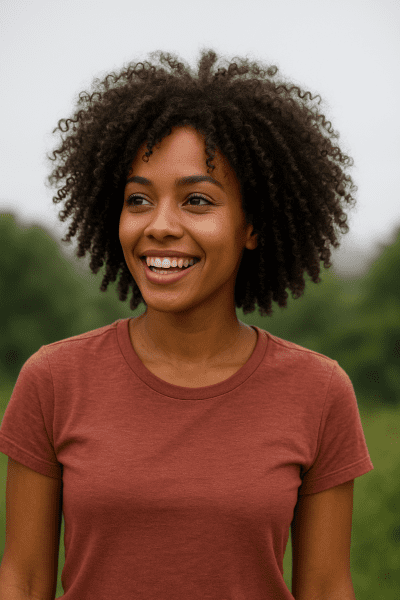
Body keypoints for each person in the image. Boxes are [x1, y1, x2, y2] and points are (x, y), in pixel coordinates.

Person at [0, 48, 373, 600]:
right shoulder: (54, 380)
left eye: (197, 200)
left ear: (252, 226)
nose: (160, 226)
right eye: (138, 200)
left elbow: (324, 586)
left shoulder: (318, 391)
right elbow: (24, 581)